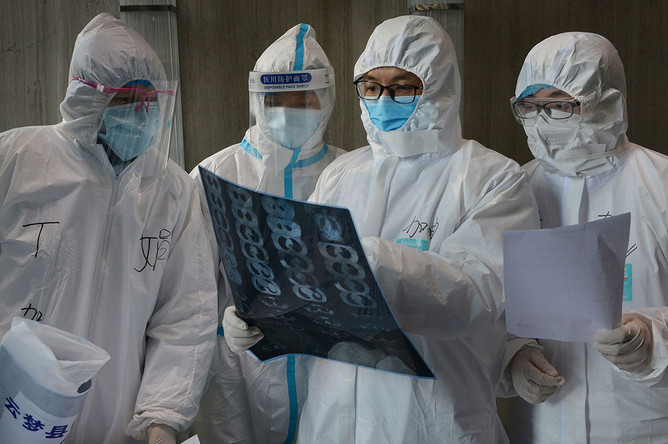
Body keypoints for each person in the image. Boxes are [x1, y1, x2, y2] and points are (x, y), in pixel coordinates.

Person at [289, 15, 535, 443]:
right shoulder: (341, 174)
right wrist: (268, 307)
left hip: (436, 418)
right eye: (371, 86)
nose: (383, 100)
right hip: (332, 416)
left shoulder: (491, 177)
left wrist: (374, 263)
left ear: (439, 86)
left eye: (403, 87)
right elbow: (304, 269)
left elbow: (476, 295)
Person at [0, 13, 217, 444]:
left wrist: (162, 417)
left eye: (150, 100)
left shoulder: (171, 190)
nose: (141, 113)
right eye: (126, 100)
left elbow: (185, 316)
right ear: (87, 97)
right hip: (15, 409)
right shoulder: (18, 160)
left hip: (115, 419)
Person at [503, 31, 668, 443]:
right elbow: (488, 301)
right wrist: (511, 356)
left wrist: (655, 337)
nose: (543, 121)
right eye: (531, 106)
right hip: (542, 427)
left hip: (643, 425)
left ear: (607, 102)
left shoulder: (661, 186)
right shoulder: (511, 192)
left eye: (561, 105)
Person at [190, 23, 343, 443]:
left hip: (324, 370)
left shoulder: (349, 173)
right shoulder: (214, 175)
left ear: (326, 100)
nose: (289, 112)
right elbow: (187, 288)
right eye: (277, 101)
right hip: (237, 371)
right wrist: (223, 319)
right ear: (258, 101)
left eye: (303, 101)